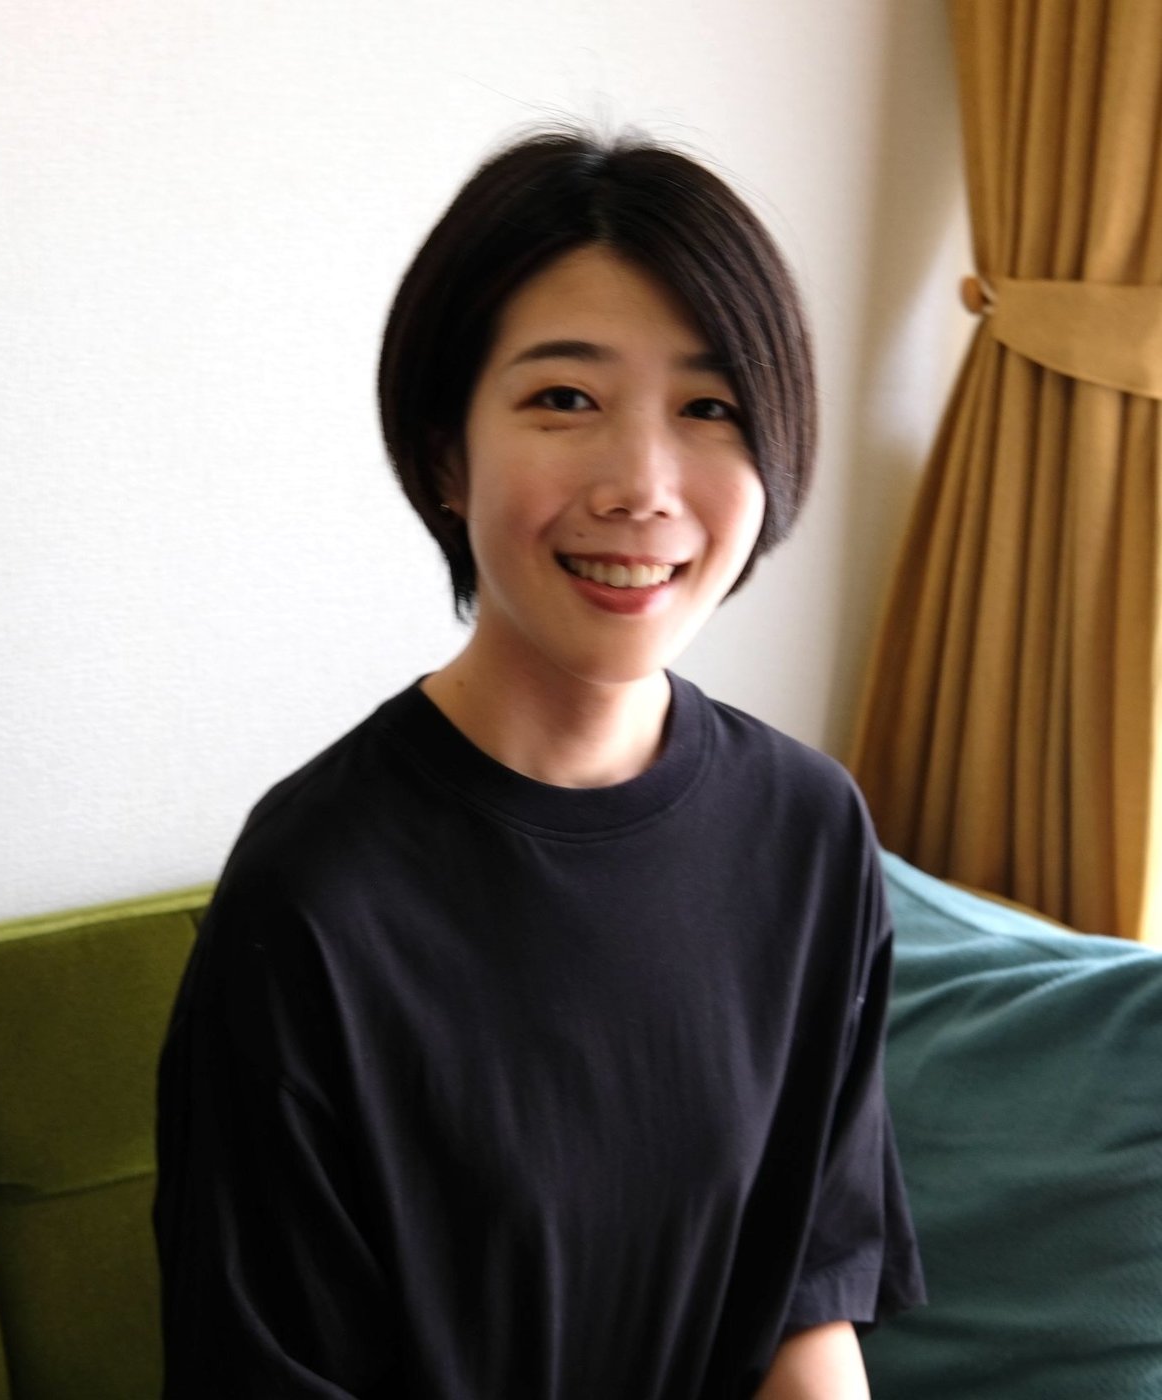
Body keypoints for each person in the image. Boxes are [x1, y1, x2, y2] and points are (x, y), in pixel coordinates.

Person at [154, 127, 925, 1399]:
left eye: (708, 406)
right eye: (564, 398)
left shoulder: (806, 827)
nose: (641, 485)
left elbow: (804, 1297)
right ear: (444, 455)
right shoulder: (315, 889)